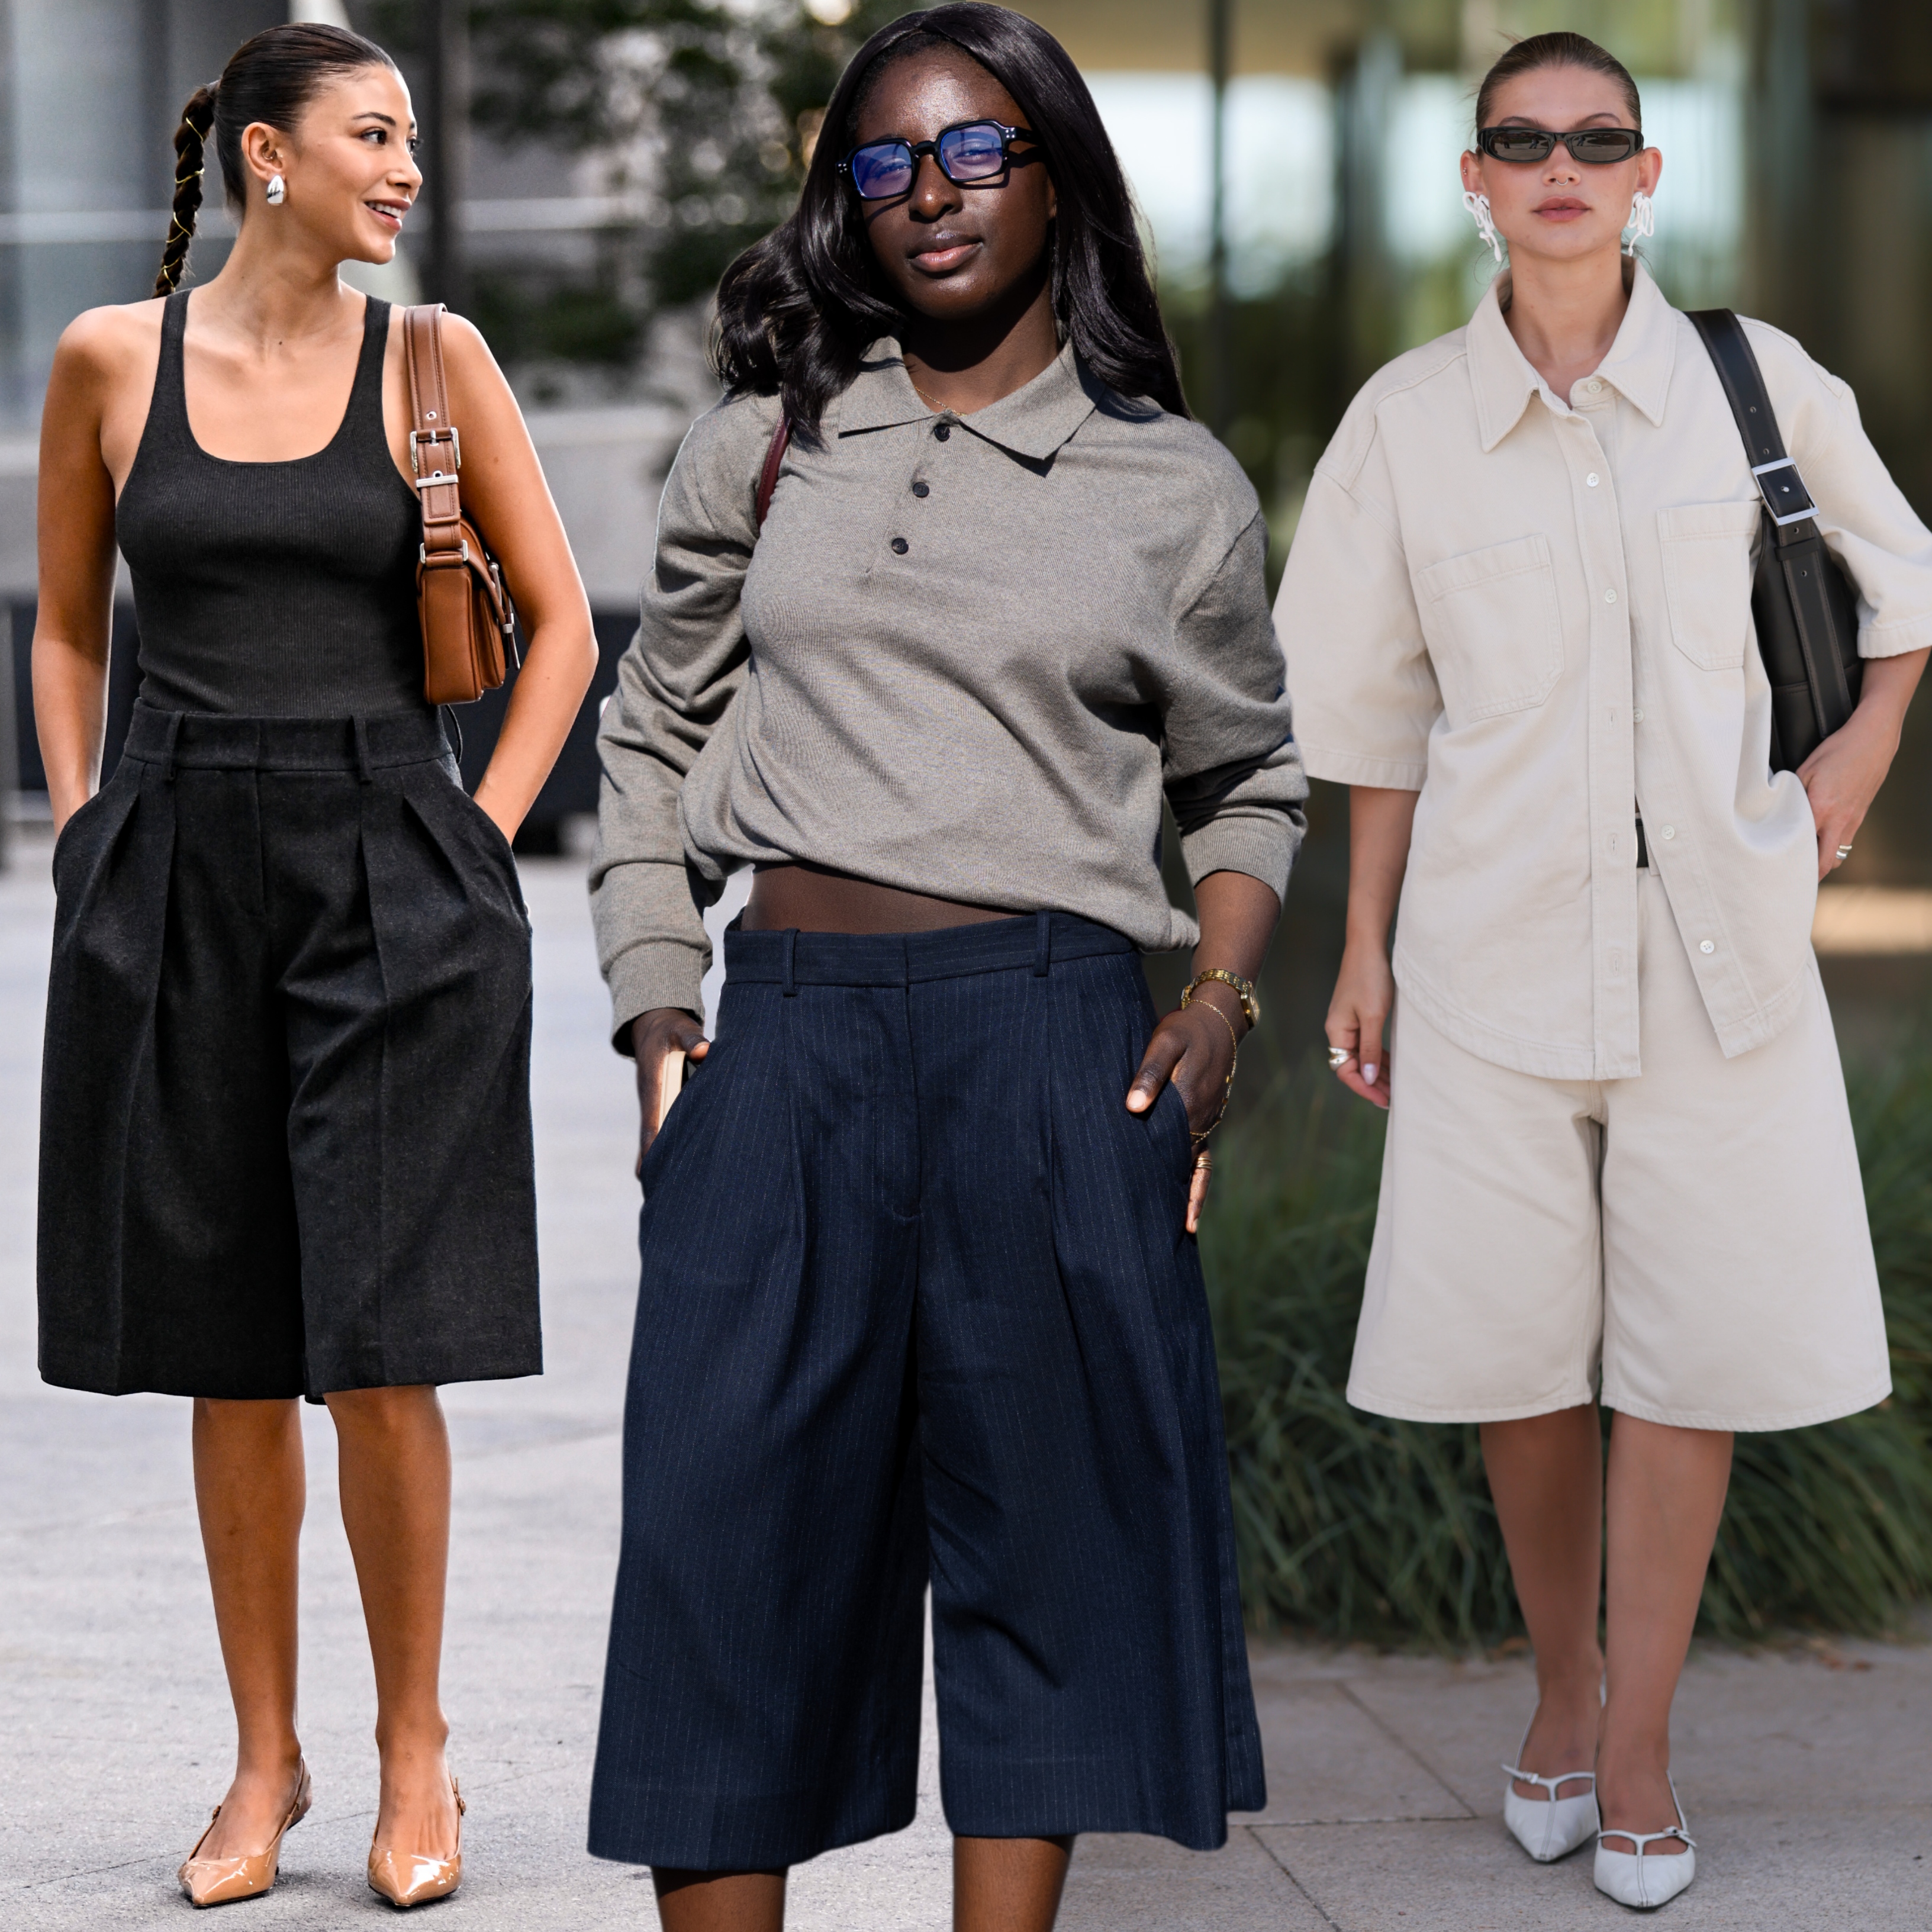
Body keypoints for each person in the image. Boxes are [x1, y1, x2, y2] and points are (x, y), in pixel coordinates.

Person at [587, 6, 1305, 1926]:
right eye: (887, 165)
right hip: (788, 1049)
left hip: (1054, 1052)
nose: (932, 198)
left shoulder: (1172, 485)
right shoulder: (768, 445)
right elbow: (650, 733)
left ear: (1052, 171)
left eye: (976, 152)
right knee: (721, 1558)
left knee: (1046, 1572)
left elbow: (1246, 780)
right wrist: (663, 1009)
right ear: (848, 204)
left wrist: (1219, 1005)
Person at [1279, 28, 1931, 1914]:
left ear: (1649, 174)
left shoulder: (1758, 384)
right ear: (1473, 180)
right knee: (1516, 1357)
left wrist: (1852, 767)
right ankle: (1561, 1692)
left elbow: (1905, 592)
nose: (1559, 166)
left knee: (1683, 1362)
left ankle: (1634, 1750)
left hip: (1719, 955)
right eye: (1520, 140)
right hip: (1484, 955)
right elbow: (1379, 719)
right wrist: (1369, 950)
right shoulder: (1406, 419)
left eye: (1597, 139)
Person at [33, 21, 596, 1911]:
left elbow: (565, 630)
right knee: (225, 1350)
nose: (409, 167)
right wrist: (87, 824)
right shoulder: (112, 359)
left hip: (388, 867)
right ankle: (259, 1763)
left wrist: (477, 839)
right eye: (378, 135)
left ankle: (412, 1753)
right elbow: (63, 627)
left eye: (414, 137)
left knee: (380, 1349)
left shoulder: (435, 362)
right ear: (271, 156)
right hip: (174, 867)